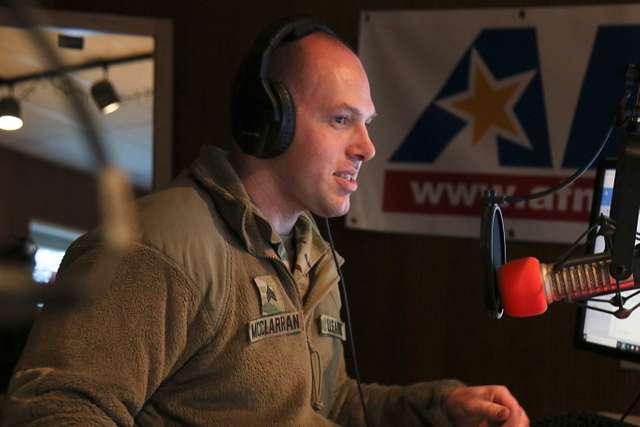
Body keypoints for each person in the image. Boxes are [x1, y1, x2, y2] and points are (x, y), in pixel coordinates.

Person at [1, 17, 529, 426]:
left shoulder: (309, 251)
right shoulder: (158, 247)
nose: (366, 147)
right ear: (269, 122)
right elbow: (55, 408)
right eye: (341, 120)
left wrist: (439, 407)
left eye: (366, 124)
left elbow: (329, 401)